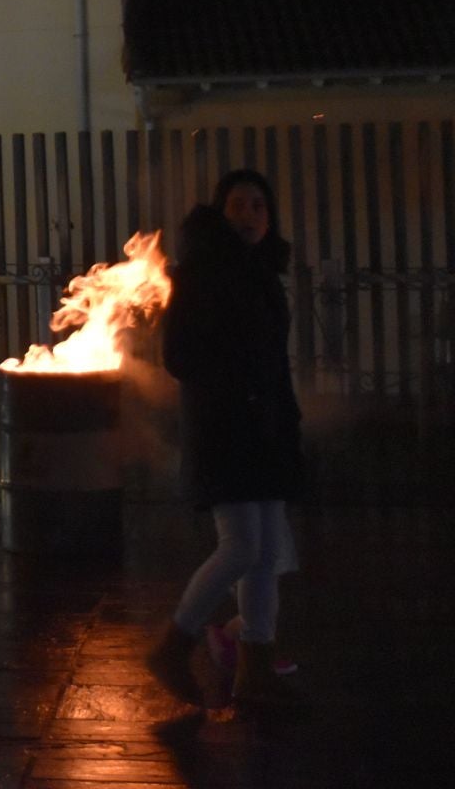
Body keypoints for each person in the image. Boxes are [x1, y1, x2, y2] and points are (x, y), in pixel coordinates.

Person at [146, 168, 304, 706]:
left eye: (259, 205)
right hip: (228, 428)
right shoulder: (203, 272)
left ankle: (255, 673)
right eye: (239, 204)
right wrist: (239, 388)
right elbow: (179, 356)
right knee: (240, 548)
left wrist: (284, 417)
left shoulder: (260, 272)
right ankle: (174, 644)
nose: (250, 214)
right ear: (221, 212)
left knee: (262, 555)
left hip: (264, 430)